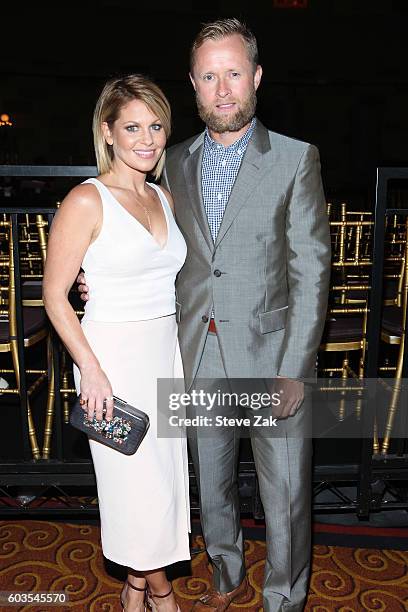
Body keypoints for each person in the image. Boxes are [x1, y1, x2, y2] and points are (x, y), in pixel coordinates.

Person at [79, 18, 331, 612]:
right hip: (195, 352)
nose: (222, 89)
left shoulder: (296, 159)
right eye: (209, 76)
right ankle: (225, 577)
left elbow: (313, 269)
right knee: (211, 486)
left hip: (273, 355)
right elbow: (141, 229)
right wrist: (98, 272)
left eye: (234, 74)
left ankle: (282, 600)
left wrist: (296, 366)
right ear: (193, 83)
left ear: (257, 78)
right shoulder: (174, 163)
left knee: (287, 493)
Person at [43, 74, 190, 612]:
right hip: (110, 360)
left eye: (155, 126)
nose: (147, 139)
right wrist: (93, 370)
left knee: (163, 485)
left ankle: (132, 586)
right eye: (132, 126)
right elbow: (55, 297)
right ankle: (163, 594)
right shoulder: (86, 199)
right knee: (134, 488)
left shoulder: (163, 197)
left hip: (164, 354)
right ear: (108, 132)